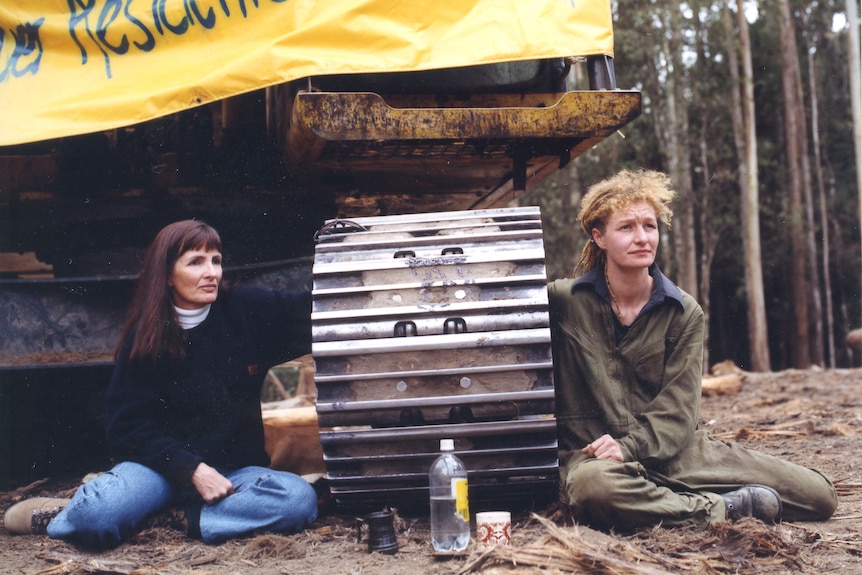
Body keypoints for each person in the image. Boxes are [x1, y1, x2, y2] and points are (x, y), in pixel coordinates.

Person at [548, 169, 838, 531]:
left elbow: (678, 413)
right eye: (626, 228)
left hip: (676, 455)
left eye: (649, 226)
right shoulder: (563, 302)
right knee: (593, 488)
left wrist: (631, 447)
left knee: (819, 496)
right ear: (599, 237)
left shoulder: (683, 312)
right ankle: (721, 510)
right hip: (596, 460)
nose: (642, 238)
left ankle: (660, 503)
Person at [4, 220, 318, 548]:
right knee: (94, 517)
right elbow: (126, 427)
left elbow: (316, 311)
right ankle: (64, 513)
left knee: (298, 500)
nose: (211, 272)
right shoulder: (147, 335)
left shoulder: (248, 310)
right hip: (158, 472)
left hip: (233, 474)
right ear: (167, 275)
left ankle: (167, 520)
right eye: (196, 262)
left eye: (216, 260)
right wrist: (191, 468)